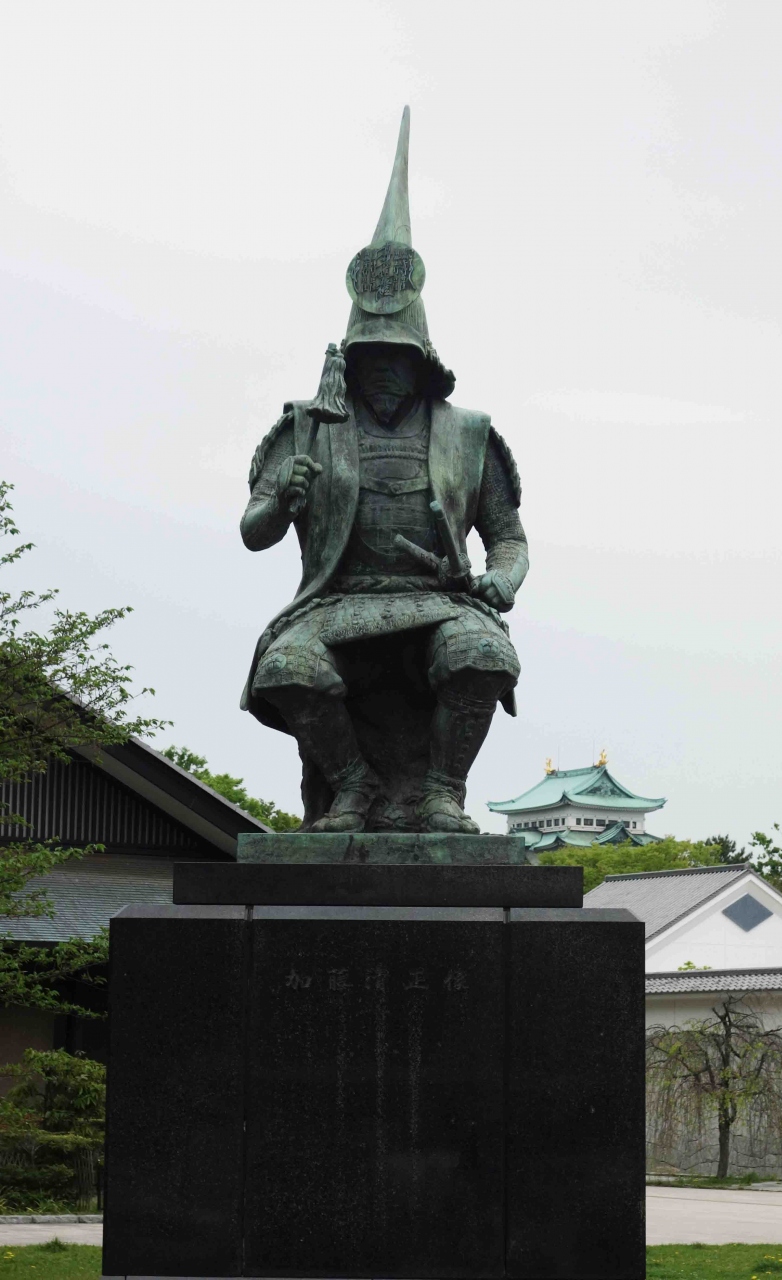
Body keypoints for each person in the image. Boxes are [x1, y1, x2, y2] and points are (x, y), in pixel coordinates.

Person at [241, 109, 527, 835]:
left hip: (439, 599)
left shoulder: (468, 435)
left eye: (398, 359)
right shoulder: (308, 425)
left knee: (484, 652)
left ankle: (440, 792)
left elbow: (507, 538)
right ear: (352, 362)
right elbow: (254, 531)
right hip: (338, 601)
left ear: (423, 362)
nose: (384, 373)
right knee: (284, 668)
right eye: (372, 359)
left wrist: (501, 580)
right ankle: (354, 786)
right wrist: (284, 500)